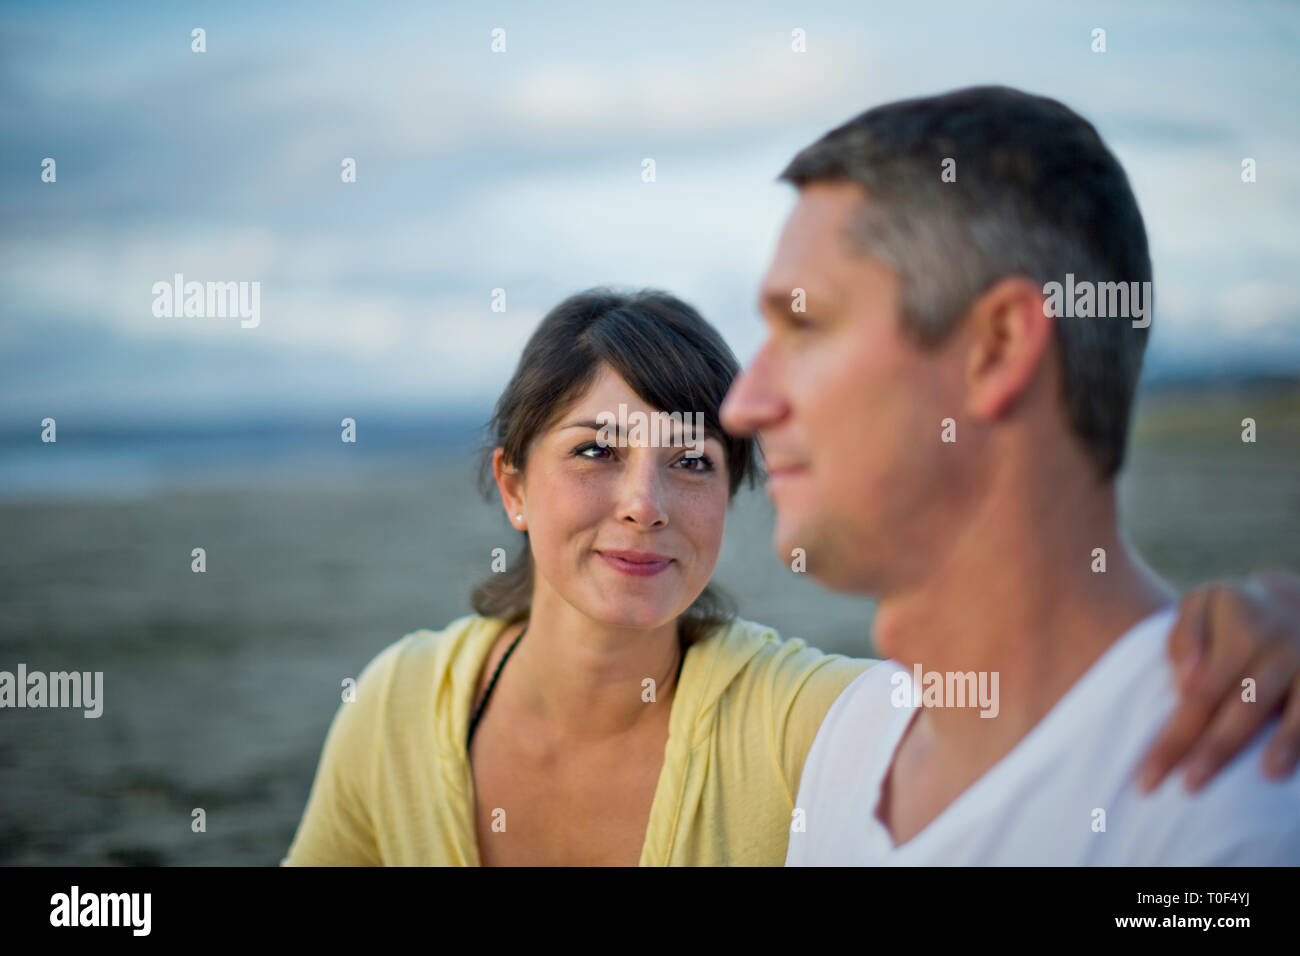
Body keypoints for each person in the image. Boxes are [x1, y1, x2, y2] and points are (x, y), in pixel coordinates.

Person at [283, 285, 1300, 866]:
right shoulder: (399, 705)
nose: (645, 502)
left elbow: (1045, 717)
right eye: (595, 451)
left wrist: (1246, 624)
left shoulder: (791, 721)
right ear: (512, 483)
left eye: (692, 462)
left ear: (731, 496)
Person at [712, 85, 1300, 864]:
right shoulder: (852, 742)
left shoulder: (1232, 809)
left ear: (998, 347)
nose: (742, 404)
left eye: (806, 324)